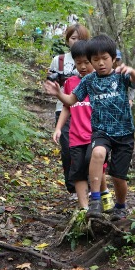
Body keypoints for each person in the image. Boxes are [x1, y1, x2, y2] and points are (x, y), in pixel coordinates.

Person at [45, 35, 135, 221]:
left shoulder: (120, 76)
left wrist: (131, 71)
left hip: (124, 133)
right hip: (100, 131)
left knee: (118, 177)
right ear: (91, 61)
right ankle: (95, 200)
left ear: (113, 58)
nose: (101, 63)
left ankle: (120, 206)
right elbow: (71, 101)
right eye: (95, 60)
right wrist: (58, 93)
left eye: (105, 58)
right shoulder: (89, 80)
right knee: (97, 154)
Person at [52, 41, 96, 210]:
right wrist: (58, 128)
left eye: (86, 62)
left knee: (94, 165)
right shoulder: (71, 82)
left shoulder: (100, 81)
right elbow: (67, 107)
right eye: (78, 63)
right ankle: (84, 208)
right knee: (77, 170)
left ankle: (99, 199)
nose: (82, 66)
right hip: (76, 135)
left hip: (95, 134)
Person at [48, 24, 91, 195]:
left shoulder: (92, 58)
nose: (76, 41)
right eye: (73, 38)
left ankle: (89, 187)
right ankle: (73, 187)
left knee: (88, 150)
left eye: (80, 39)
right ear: (67, 40)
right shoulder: (58, 60)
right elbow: (50, 80)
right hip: (64, 108)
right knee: (68, 150)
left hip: (87, 111)